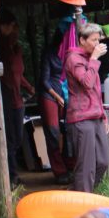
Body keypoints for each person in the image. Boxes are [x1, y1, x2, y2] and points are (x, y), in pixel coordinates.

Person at [65, 22, 109, 192]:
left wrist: (103, 115)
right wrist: (94, 59)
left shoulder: (89, 58)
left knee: (103, 162)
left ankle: (80, 193)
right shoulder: (73, 59)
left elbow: (95, 92)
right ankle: (83, 199)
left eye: (99, 40)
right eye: (93, 40)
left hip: (95, 116)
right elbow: (87, 83)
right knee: (86, 166)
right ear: (82, 40)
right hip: (81, 118)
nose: (97, 44)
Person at [0, 12, 35, 188]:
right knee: (10, 138)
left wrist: (28, 87)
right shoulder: (1, 49)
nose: (15, 33)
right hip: (7, 98)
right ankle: (11, 176)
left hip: (18, 99)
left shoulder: (16, 49)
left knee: (17, 138)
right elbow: (7, 76)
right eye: (12, 29)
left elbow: (18, 74)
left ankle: (11, 172)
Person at [39, 28, 71, 184]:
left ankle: (69, 165)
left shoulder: (70, 52)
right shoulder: (49, 53)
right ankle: (59, 171)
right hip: (50, 95)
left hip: (65, 95)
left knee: (68, 130)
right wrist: (57, 97)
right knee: (53, 132)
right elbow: (44, 81)